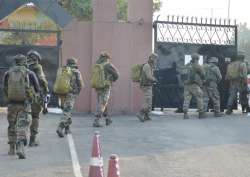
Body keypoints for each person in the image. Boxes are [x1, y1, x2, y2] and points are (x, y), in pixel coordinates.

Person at [3, 54, 40, 159]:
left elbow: (4, 88)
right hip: (25, 104)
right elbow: (38, 89)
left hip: (11, 104)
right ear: (25, 62)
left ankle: (11, 148)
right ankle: (20, 146)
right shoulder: (30, 73)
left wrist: (10, 98)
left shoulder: (7, 73)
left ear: (15, 62)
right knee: (23, 125)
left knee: (12, 125)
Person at [56, 58, 83, 137]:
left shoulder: (62, 70)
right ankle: (60, 128)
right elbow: (80, 84)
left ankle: (67, 129)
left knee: (66, 110)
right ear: (75, 63)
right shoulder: (76, 71)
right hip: (70, 94)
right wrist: (77, 92)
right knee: (67, 111)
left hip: (61, 94)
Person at [26, 50, 49, 146]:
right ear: (37, 58)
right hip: (35, 95)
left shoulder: (23, 66)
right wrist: (46, 88)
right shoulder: (37, 67)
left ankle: (19, 140)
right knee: (35, 117)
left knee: (23, 116)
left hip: (24, 95)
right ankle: (32, 140)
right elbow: (42, 79)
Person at [92, 52, 119, 127]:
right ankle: (96, 121)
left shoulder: (96, 65)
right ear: (107, 58)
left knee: (103, 102)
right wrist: (111, 80)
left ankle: (107, 119)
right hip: (105, 86)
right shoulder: (107, 65)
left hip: (98, 87)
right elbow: (117, 75)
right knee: (103, 103)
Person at [183, 53, 206, 119]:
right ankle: (201, 113)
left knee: (186, 99)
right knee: (199, 97)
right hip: (194, 85)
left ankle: (185, 114)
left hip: (187, 85)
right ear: (197, 58)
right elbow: (203, 74)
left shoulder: (187, 65)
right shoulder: (198, 66)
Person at [137, 53, 158, 122]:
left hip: (148, 85)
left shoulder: (150, 66)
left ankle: (146, 116)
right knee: (148, 102)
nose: (156, 60)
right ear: (151, 58)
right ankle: (140, 113)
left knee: (149, 101)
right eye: (155, 59)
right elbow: (149, 76)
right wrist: (155, 79)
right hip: (146, 86)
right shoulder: (147, 66)